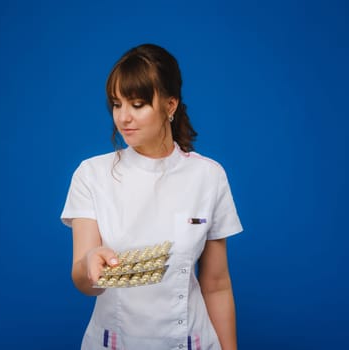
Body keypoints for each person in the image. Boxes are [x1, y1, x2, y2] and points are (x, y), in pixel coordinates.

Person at [61, 43, 243, 350]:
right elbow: (82, 277)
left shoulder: (209, 176)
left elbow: (216, 285)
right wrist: (91, 262)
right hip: (114, 342)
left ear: (170, 105)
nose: (123, 118)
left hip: (191, 342)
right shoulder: (91, 174)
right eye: (117, 104)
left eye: (138, 104)